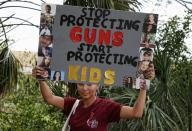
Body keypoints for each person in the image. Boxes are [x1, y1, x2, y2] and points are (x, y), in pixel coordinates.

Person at [32, 66, 155, 131]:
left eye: (90, 84)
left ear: (98, 85)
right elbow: (49, 98)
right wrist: (41, 80)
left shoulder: (107, 107)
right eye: (80, 84)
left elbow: (136, 113)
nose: (85, 88)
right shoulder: (73, 104)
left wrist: (144, 85)